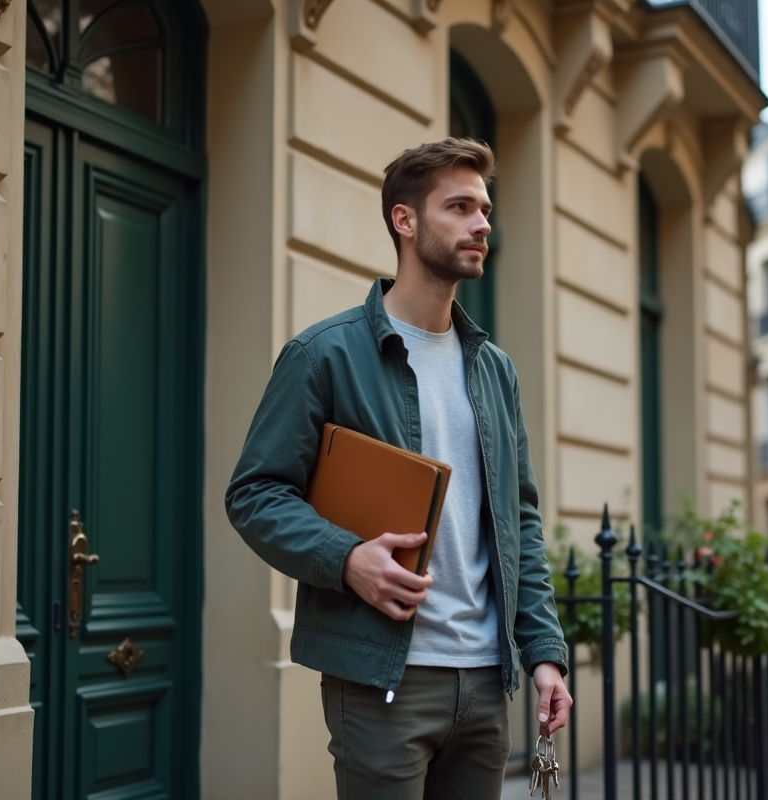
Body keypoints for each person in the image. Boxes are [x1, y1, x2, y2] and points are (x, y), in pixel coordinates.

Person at [226, 137, 572, 800]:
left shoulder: (494, 369)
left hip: (484, 679)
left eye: (485, 209)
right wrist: (347, 558)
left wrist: (545, 654)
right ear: (405, 221)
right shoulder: (323, 355)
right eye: (461, 207)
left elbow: (518, 521)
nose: (482, 224)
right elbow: (255, 495)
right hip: (385, 679)